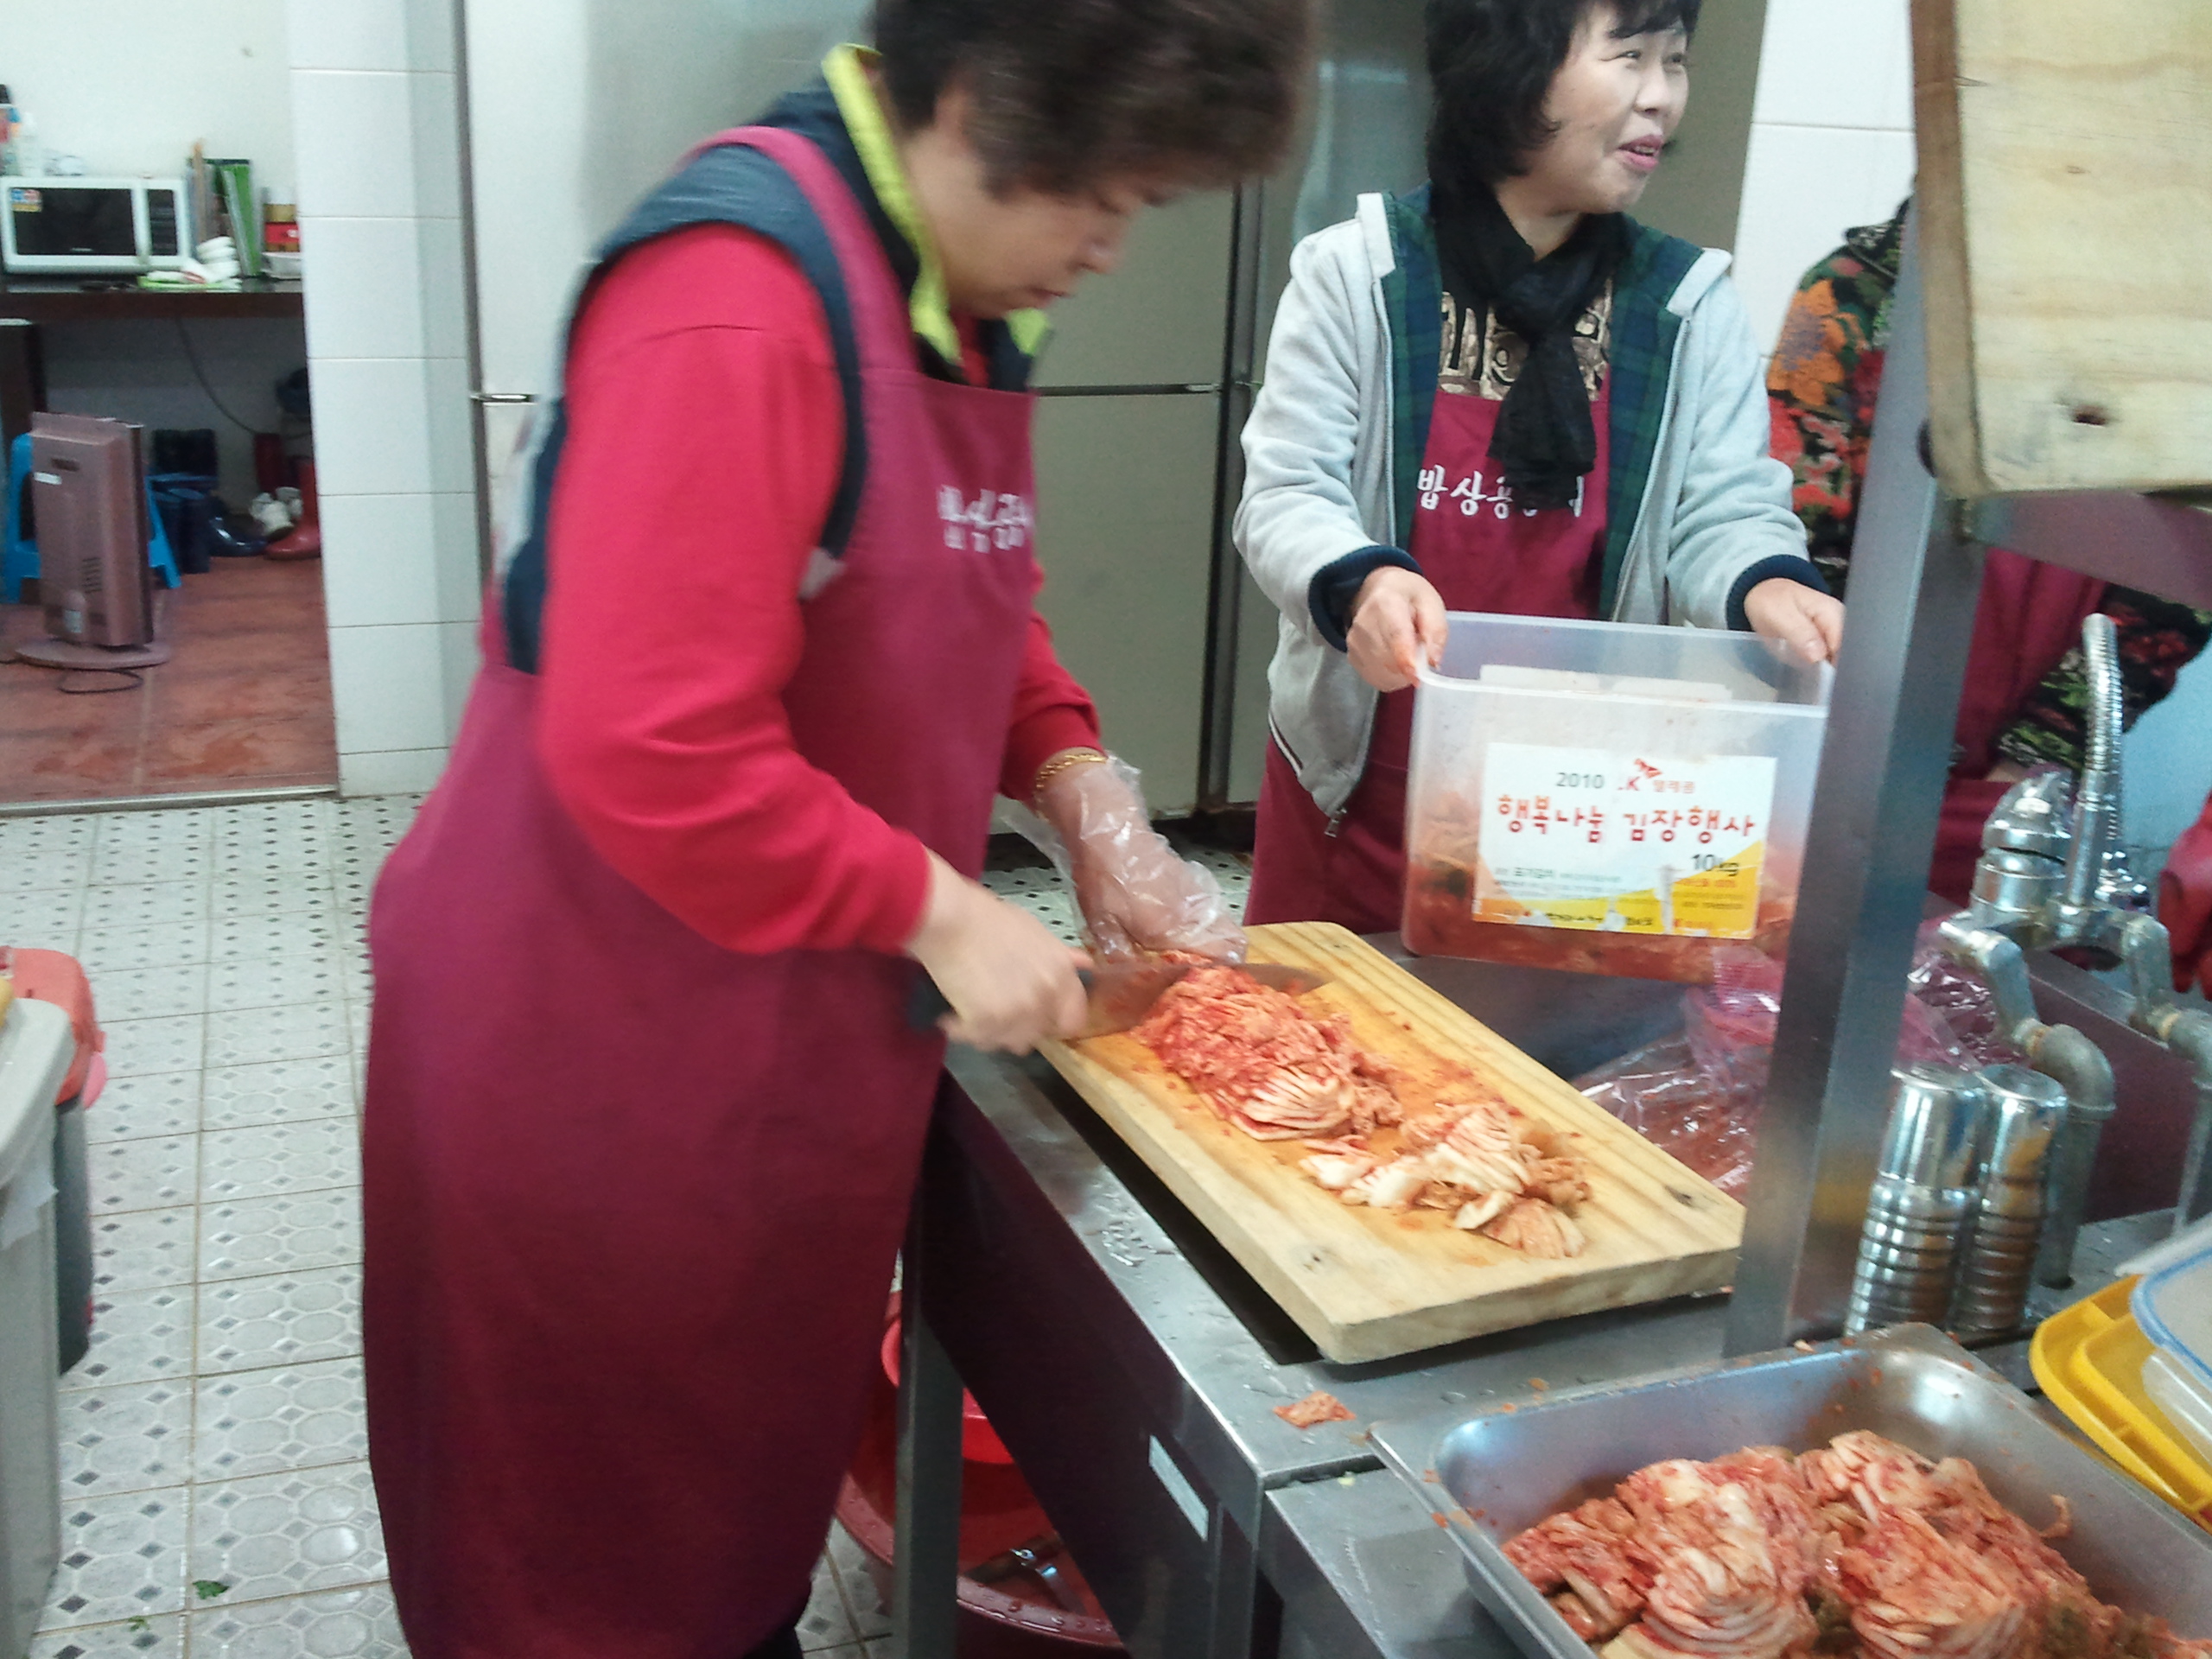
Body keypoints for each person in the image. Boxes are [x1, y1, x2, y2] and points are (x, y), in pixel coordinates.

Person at [359, 6, 1303, 1656]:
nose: (1110, 245)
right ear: (986, 92)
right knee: (581, 1581)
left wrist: (1077, 782)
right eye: (1105, 193)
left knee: (717, 1548)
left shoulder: (950, 299)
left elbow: (950, 586)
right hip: (592, 1060)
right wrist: (944, 909)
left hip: (773, 1044)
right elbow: (652, 742)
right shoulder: (736, 299)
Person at [1236, 0, 1843, 936]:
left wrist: (1767, 585)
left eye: (1675, 61)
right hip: (1358, 793)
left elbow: (1723, 515)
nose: (1662, 98)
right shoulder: (1358, 275)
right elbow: (1287, 494)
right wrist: (1362, 584)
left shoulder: (1685, 308)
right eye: (1629, 56)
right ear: (1509, 67)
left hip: (1575, 806)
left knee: (1540, 1030)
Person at [1766, 200, 2212, 905]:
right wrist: (1844, 718)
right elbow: (1793, 530)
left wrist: (2039, 757)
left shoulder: (2168, 329)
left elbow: (2176, 577)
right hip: (1839, 748)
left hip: (2024, 787)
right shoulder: (1851, 296)